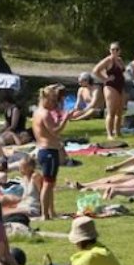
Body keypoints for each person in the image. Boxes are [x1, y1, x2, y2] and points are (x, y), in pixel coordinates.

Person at [33, 85, 75, 220]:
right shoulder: (45, 113)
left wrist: (59, 118)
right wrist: (66, 119)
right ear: (45, 99)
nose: (54, 104)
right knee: (47, 183)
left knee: (50, 183)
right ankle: (45, 214)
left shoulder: (37, 112)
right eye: (52, 101)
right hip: (49, 151)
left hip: (43, 150)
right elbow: (55, 131)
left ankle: (51, 212)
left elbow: (50, 128)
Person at [92, 42, 126, 139]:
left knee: (120, 111)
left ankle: (118, 132)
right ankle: (109, 134)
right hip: (110, 86)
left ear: (120, 50)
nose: (114, 51)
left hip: (120, 85)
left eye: (116, 49)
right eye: (112, 49)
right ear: (110, 50)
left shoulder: (120, 60)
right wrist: (105, 79)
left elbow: (123, 71)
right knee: (111, 111)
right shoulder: (108, 60)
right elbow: (95, 70)